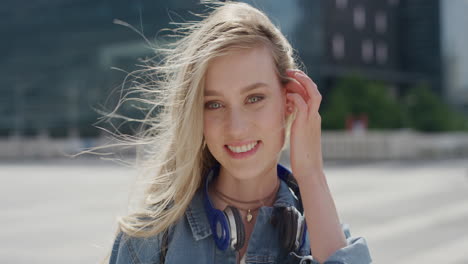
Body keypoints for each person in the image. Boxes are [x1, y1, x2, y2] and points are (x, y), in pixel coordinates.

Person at [107, 2, 372, 264]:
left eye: (254, 98)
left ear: (289, 100)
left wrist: (311, 174)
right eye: (214, 104)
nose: (236, 128)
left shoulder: (323, 236)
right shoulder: (148, 238)